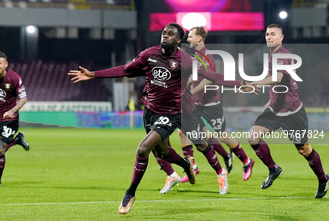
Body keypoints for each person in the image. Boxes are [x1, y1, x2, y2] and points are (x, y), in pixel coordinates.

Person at [68, 23, 246, 214]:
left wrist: (240, 84)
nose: (165, 36)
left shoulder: (184, 60)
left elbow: (212, 76)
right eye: (164, 33)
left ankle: (130, 193)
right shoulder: (150, 54)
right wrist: (94, 75)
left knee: (144, 148)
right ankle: (186, 164)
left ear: (178, 40)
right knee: (162, 153)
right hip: (150, 112)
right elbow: (126, 69)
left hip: (171, 114)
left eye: (170, 34)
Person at [247, 24, 329, 198]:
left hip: (293, 113)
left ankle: (323, 179)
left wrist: (255, 83)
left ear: (281, 37)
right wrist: (271, 99)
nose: (269, 37)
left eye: (273, 34)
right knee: (253, 136)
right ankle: (273, 169)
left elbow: (277, 78)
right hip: (276, 110)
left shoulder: (283, 55)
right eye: (267, 34)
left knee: (304, 150)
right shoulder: (272, 56)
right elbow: (283, 83)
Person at [179, 26, 255, 183]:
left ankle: (247, 161)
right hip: (195, 103)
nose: (188, 39)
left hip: (210, 103)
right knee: (184, 132)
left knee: (222, 136)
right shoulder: (195, 58)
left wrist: (192, 91)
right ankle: (192, 166)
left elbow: (210, 78)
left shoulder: (207, 57)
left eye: (191, 36)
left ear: (199, 39)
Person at [0, 51, 30, 187]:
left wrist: (12, 110)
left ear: (5, 64)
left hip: (10, 120)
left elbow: (23, 98)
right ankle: (17, 140)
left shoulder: (14, 78)